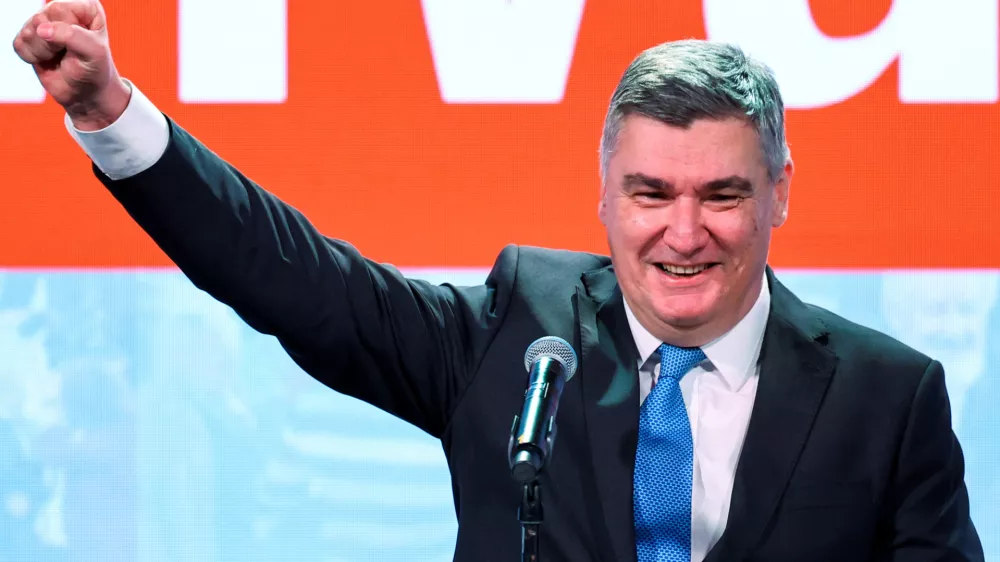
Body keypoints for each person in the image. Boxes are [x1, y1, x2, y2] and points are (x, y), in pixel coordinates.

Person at [12, 1, 984, 560]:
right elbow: (287, 277)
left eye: (721, 194)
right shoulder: (520, 341)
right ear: (602, 194)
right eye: (649, 192)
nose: (683, 233)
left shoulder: (884, 398)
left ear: (778, 193)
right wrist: (111, 114)